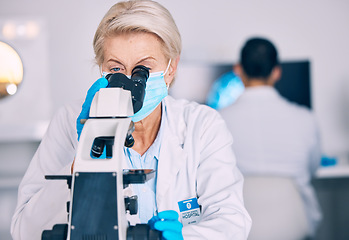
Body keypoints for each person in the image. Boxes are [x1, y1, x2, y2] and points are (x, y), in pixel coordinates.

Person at [11, 1, 251, 239]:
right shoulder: (70, 120)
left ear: (171, 67)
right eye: (116, 69)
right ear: (101, 69)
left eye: (142, 69)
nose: (128, 83)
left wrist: (184, 238)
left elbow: (231, 222)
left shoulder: (201, 125)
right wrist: (83, 163)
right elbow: (24, 230)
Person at [219, 37, 322, 237]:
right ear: (277, 72)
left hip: (238, 228)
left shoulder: (216, 121)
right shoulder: (305, 119)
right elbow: (312, 169)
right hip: (294, 226)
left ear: (238, 70)